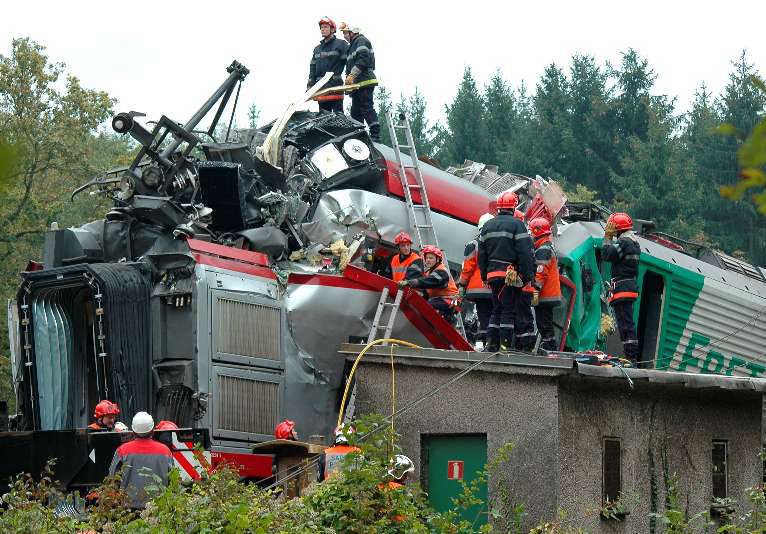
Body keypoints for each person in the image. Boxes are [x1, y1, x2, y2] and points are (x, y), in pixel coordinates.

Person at [478, 191, 535, 352]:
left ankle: (491, 343)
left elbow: (481, 255)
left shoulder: (487, 225)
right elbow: (524, 253)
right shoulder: (517, 225)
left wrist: (484, 276)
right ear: (514, 206)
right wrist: (527, 275)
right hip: (509, 276)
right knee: (508, 310)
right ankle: (504, 345)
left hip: (492, 275)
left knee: (496, 308)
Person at [108, 412, 172, 510]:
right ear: (152, 431)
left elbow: (112, 479)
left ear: (133, 431)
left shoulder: (122, 450)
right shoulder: (165, 451)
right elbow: (173, 480)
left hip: (129, 509)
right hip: (159, 508)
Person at [602, 212, 641, 363]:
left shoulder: (624, 242)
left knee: (625, 324)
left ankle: (631, 357)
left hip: (622, 288)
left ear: (618, 229)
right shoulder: (634, 242)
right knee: (626, 324)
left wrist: (607, 237)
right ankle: (630, 356)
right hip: (627, 286)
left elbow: (607, 254)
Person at [458, 213, 494, 350]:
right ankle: (491, 343)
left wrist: (462, 285)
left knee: (483, 315)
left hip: (477, 288)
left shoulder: (473, 244)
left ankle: (481, 342)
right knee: (493, 315)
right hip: (494, 286)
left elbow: (467, 268)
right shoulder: (498, 243)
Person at [339, 22, 380, 141]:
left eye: (346, 33)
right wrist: (348, 84)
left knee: (366, 107)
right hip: (357, 84)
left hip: (365, 81)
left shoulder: (361, 41)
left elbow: (363, 59)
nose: (344, 36)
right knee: (355, 112)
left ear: (353, 32)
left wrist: (352, 75)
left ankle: (375, 135)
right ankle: (359, 136)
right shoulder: (352, 45)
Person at [399, 245, 459, 322]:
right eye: (426, 258)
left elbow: (428, 281)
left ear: (438, 259)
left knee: (426, 308)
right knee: (421, 305)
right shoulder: (430, 272)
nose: (428, 260)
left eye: (431, 258)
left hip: (451, 300)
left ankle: (449, 318)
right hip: (441, 299)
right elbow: (427, 290)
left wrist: (410, 282)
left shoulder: (442, 271)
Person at [528, 217, 562, 352]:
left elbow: (541, 272)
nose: (530, 236)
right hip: (548, 294)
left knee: (544, 324)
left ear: (537, 232)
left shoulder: (543, 249)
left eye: (531, 232)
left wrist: (535, 290)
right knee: (544, 323)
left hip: (545, 295)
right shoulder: (547, 247)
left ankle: (551, 349)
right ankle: (549, 347)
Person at [308, 17, 348, 113]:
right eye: (321, 27)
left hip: (335, 88)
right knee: (324, 119)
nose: (323, 29)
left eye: (326, 27)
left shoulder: (341, 44)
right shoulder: (317, 49)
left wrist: (350, 77)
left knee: (339, 118)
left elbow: (350, 62)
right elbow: (312, 70)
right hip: (321, 89)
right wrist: (309, 87)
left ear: (333, 30)